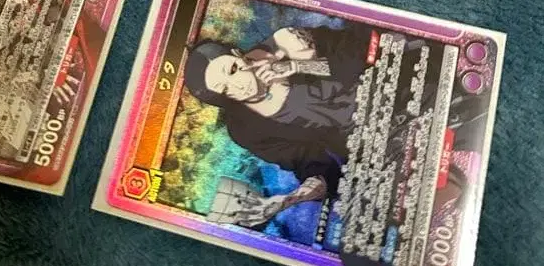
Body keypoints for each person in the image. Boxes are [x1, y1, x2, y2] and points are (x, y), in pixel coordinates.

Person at [183, 23, 483, 228]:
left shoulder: (286, 41)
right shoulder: (245, 129)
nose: (238, 86)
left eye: (232, 70)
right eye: (224, 89)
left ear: (237, 54)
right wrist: (291, 198)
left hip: (398, 88)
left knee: (473, 117)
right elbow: (309, 161)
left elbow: (357, 54)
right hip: (377, 140)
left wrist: (295, 66)